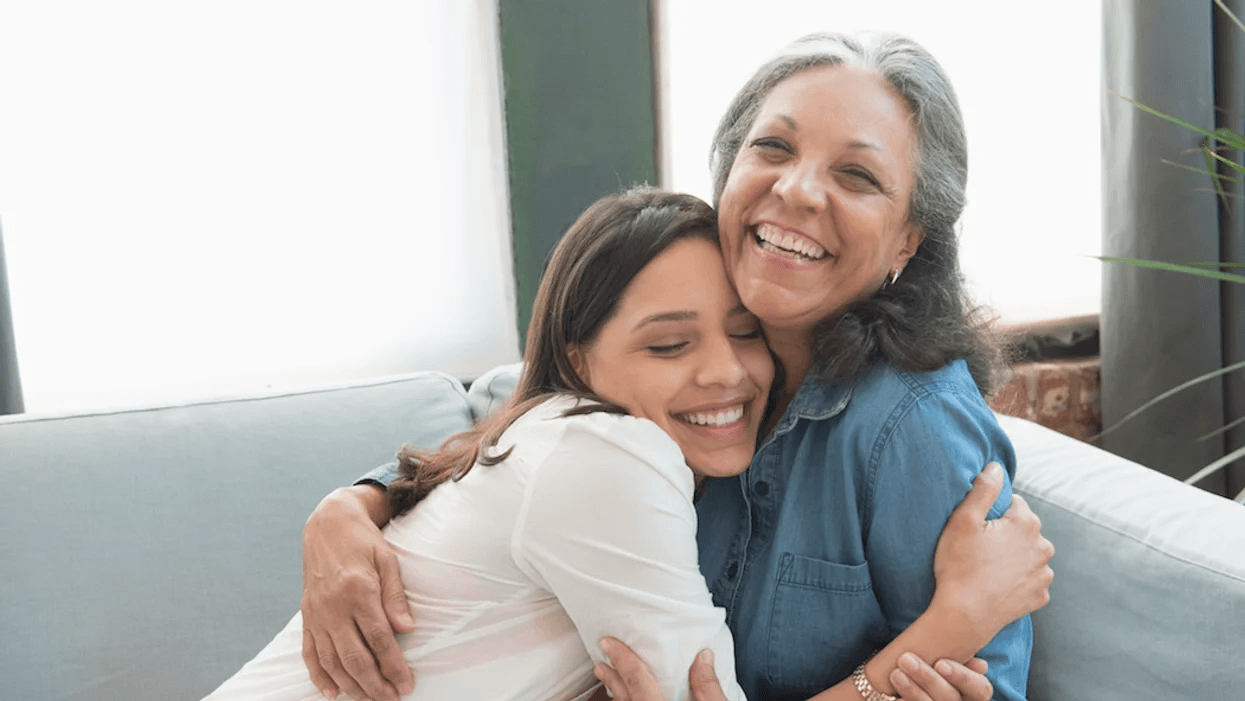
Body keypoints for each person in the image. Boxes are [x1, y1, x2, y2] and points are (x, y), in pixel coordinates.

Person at [299, 31, 1054, 701]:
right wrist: (350, 506)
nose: (795, 190)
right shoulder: (697, 300)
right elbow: (517, 408)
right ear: (728, 174)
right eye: (773, 148)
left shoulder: (911, 424)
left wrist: (956, 626)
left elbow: (983, 685)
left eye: (857, 176)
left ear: (905, 243)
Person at [201, 187, 1045, 701]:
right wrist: (955, 618)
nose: (727, 374)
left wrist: (352, 500)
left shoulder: (569, 435)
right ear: (579, 358)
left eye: (744, 332)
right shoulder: (606, 456)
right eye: (669, 345)